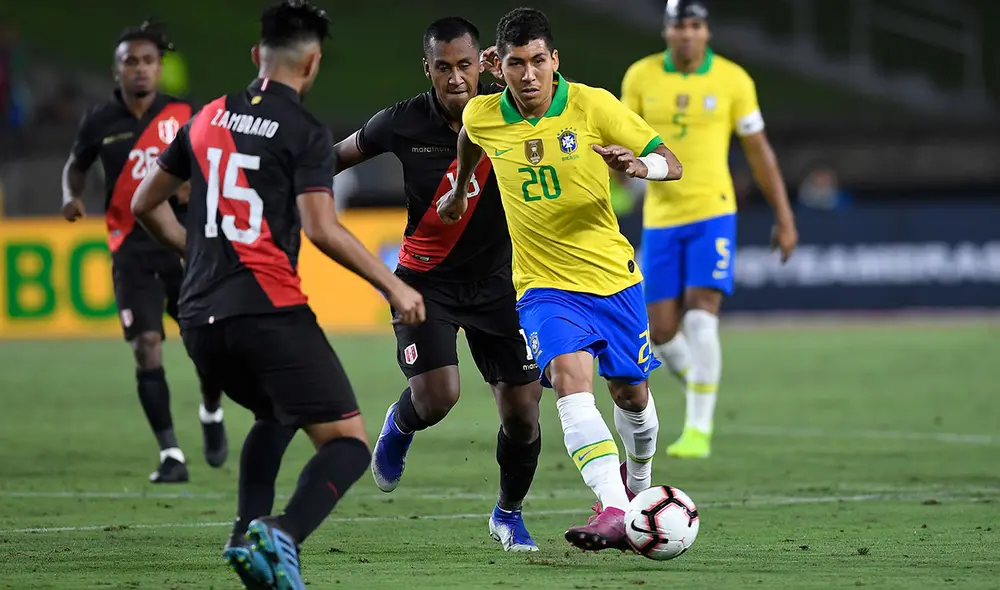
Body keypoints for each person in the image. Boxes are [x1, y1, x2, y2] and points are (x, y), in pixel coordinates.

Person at [130, 2, 425, 587]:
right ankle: (281, 535)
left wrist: (192, 253)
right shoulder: (306, 132)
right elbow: (320, 227)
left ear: (255, 57)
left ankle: (244, 537)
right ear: (312, 63)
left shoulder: (207, 117)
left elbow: (144, 203)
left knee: (275, 413)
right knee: (346, 442)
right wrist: (395, 285)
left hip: (197, 317)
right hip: (267, 311)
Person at [438, 7, 683, 552]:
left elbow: (672, 161)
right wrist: (458, 192)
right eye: (517, 63)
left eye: (538, 62)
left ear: (555, 61)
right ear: (499, 66)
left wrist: (643, 168)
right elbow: (467, 142)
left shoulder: (594, 105)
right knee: (572, 385)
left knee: (631, 398)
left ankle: (635, 491)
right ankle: (617, 511)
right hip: (543, 286)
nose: (529, 75)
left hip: (614, 279)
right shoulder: (483, 115)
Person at [333, 17, 544, 552]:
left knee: (522, 414)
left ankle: (508, 513)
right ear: (427, 69)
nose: (455, 79)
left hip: (501, 284)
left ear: (484, 64)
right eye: (443, 68)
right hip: (425, 283)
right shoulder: (400, 122)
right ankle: (399, 427)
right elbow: (334, 157)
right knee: (438, 397)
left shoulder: (514, 113)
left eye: (465, 66)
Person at [620, 0, 799, 458]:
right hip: (660, 216)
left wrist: (784, 214)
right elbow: (621, 142)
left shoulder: (734, 79)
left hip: (713, 211)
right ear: (666, 32)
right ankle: (704, 385)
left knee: (701, 314)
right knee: (659, 331)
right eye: (679, 26)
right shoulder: (640, 76)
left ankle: (699, 428)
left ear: (707, 32)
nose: (686, 34)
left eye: (695, 26)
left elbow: (758, 150)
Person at [60, 20, 227, 483]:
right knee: (146, 346)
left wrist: (198, 189)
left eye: (148, 61)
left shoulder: (184, 114)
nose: (140, 69)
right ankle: (171, 453)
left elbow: (210, 165)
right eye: (130, 62)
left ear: (159, 67)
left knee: (205, 347)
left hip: (180, 247)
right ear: (117, 71)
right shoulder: (99, 121)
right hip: (130, 252)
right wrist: (70, 196)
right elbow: (76, 167)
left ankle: (211, 409)